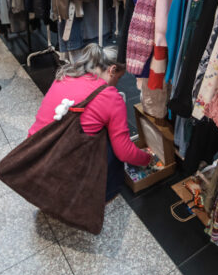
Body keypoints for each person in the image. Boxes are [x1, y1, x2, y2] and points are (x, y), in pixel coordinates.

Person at [27, 44, 153, 201]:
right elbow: (124, 151)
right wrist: (147, 158)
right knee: (111, 144)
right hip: (62, 170)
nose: (117, 84)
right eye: (118, 78)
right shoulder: (110, 97)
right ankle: (104, 194)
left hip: (34, 157)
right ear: (112, 70)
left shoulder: (65, 75)